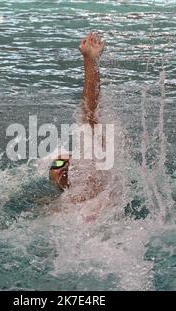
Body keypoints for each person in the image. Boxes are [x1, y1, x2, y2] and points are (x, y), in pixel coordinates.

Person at [49, 32, 106, 195]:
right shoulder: (50, 208)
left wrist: (90, 62)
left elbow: (90, 115)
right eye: (58, 163)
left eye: (67, 162)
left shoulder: (98, 193)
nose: (64, 166)